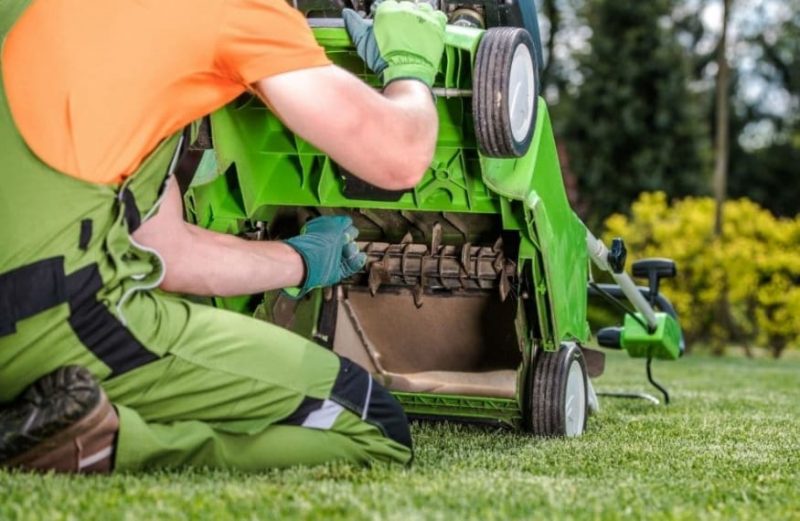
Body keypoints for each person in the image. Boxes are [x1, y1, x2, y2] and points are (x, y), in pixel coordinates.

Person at [0, 0, 447, 473]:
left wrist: (302, 259)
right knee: (374, 426)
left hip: (35, 293)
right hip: (46, 322)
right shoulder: (235, 8)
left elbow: (163, 249)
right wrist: (411, 68)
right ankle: (104, 446)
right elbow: (399, 155)